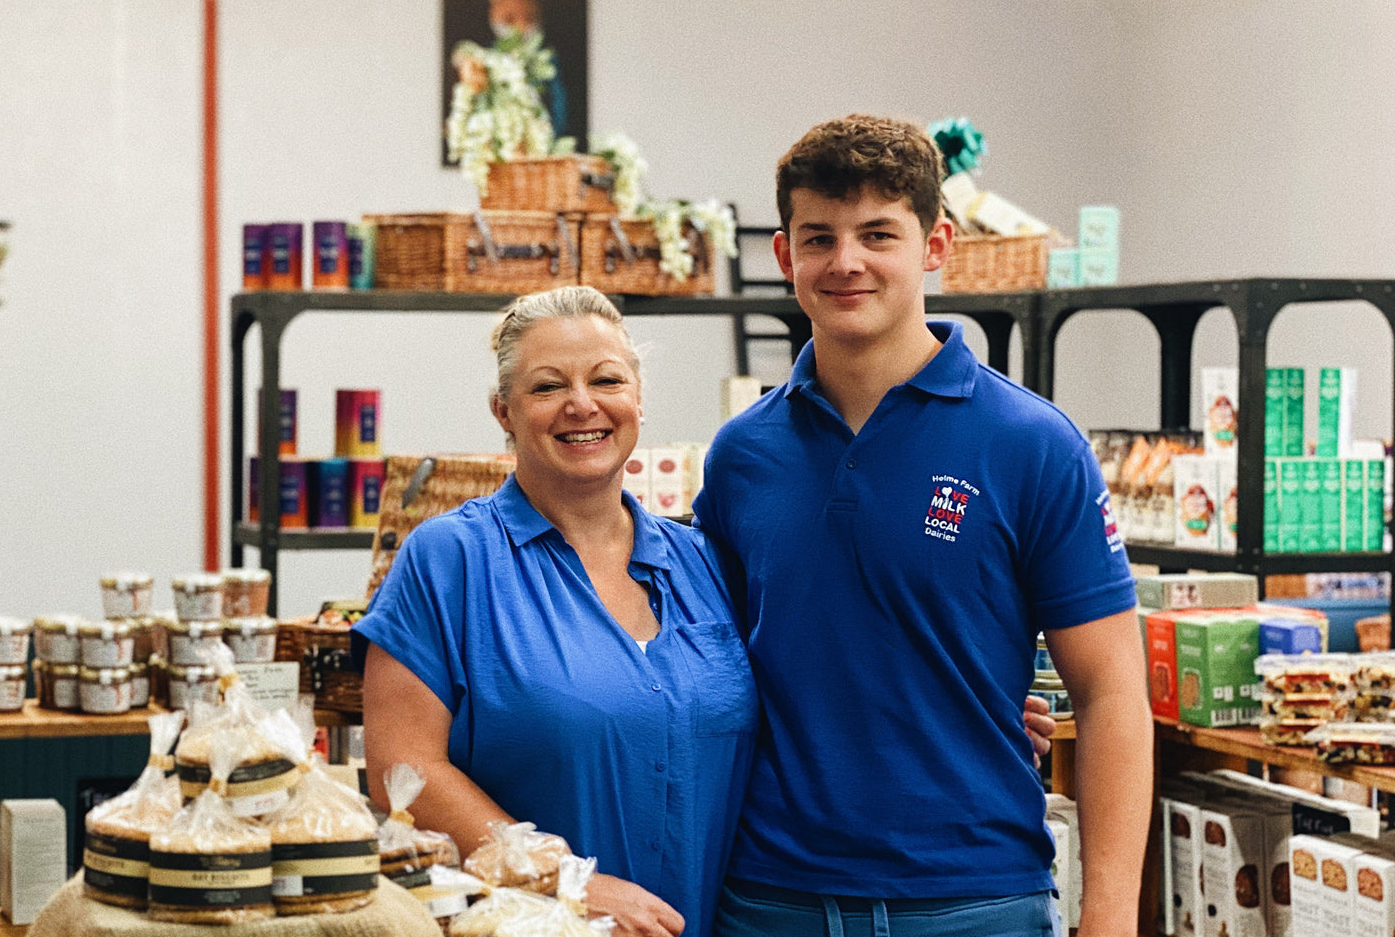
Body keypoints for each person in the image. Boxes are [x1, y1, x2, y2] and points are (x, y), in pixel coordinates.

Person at [352, 285, 1062, 937]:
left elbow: (814, 666)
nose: (582, 404)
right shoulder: (452, 560)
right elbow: (400, 766)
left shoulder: (700, 562)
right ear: (503, 411)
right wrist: (566, 880)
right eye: (547, 386)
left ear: (638, 399)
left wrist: (969, 709)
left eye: (606, 380)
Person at [695, 114, 1152, 937]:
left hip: (973, 899)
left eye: (878, 233)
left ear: (936, 245)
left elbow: (1114, 693)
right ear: (783, 255)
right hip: (768, 899)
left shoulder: (1032, 445)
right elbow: (719, 666)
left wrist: (1111, 917)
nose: (846, 262)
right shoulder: (741, 456)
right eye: (818, 236)